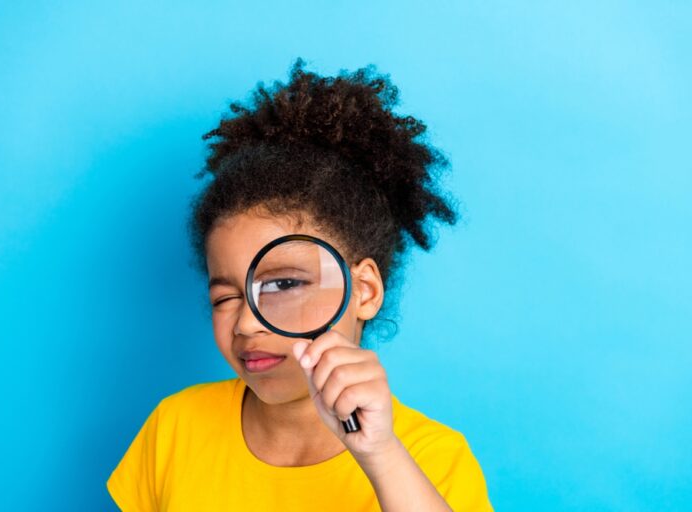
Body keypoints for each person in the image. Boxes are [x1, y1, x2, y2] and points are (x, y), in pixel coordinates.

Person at [106, 58, 493, 511]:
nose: (247, 323)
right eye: (225, 296)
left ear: (364, 291)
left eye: (284, 283)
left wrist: (379, 454)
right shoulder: (175, 427)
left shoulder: (431, 458)